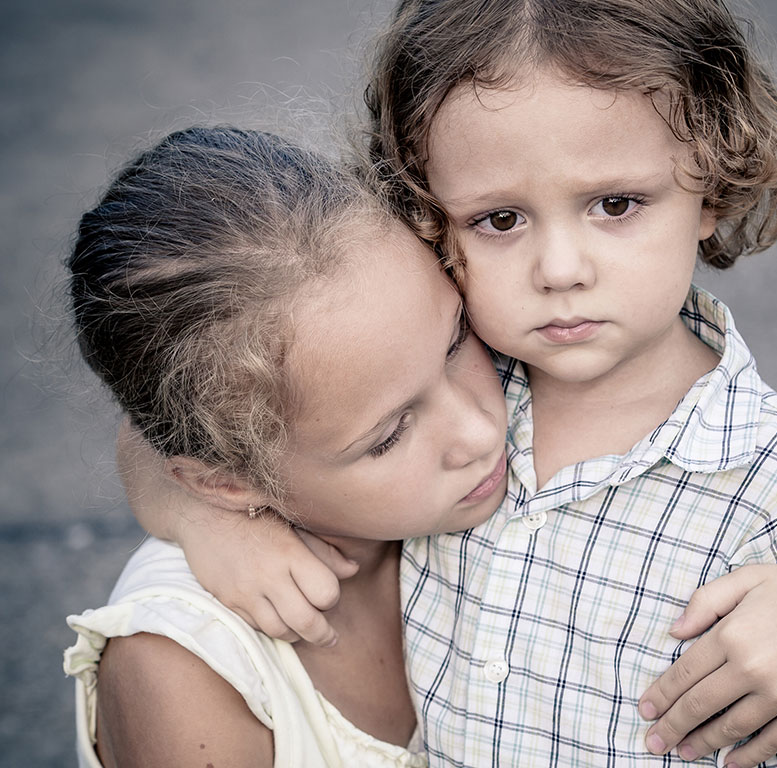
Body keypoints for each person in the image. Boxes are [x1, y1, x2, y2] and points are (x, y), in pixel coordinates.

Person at [122, 1, 777, 767]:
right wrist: (207, 519)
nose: (559, 270)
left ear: (713, 187)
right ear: (428, 214)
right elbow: (197, 417)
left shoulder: (768, 474)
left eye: (616, 204)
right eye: (500, 220)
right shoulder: (455, 374)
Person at [62, 125, 511, 767]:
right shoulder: (186, 675)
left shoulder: (503, 391)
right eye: (388, 436)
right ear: (226, 481)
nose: (481, 431)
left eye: (456, 340)